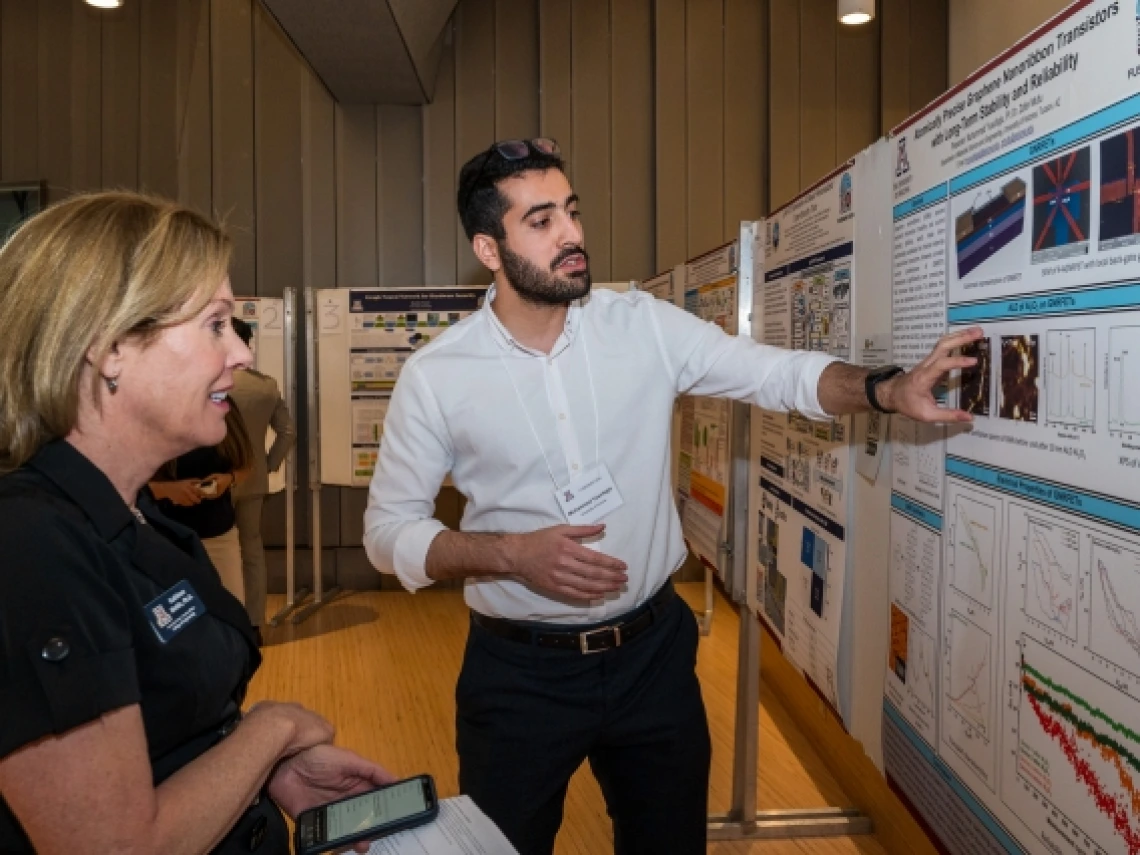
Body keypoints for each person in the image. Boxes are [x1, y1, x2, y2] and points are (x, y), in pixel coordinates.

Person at [363, 138, 980, 855]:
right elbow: (387, 531)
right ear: (489, 248)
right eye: (540, 221)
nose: (571, 235)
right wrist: (508, 555)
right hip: (520, 678)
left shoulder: (642, 327)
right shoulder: (438, 375)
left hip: (651, 658)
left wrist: (884, 387)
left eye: (572, 210)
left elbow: (770, 373)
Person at [0, 191, 395, 854]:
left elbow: (167, 739)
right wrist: (270, 730)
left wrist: (264, 773)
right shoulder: (33, 547)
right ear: (112, 347)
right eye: (215, 324)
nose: (240, 354)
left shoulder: (133, 515)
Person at [228, 316, 297, 633]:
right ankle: (254, 621)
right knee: (251, 550)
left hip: (209, 479)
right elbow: (288, 432)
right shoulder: (265, 386)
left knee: (214, 548)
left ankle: (223, 620)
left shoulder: (206, 382)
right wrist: (267, 465)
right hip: (253, 480)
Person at [150, 403, 253, 605]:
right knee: (180, 624)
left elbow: (246, 465)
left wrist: (228, 479)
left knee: (232, 613)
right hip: (166, 538)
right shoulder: (157, 409)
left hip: (219, 535)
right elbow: (124, 482)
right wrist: (167, 490)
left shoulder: (224, 406)